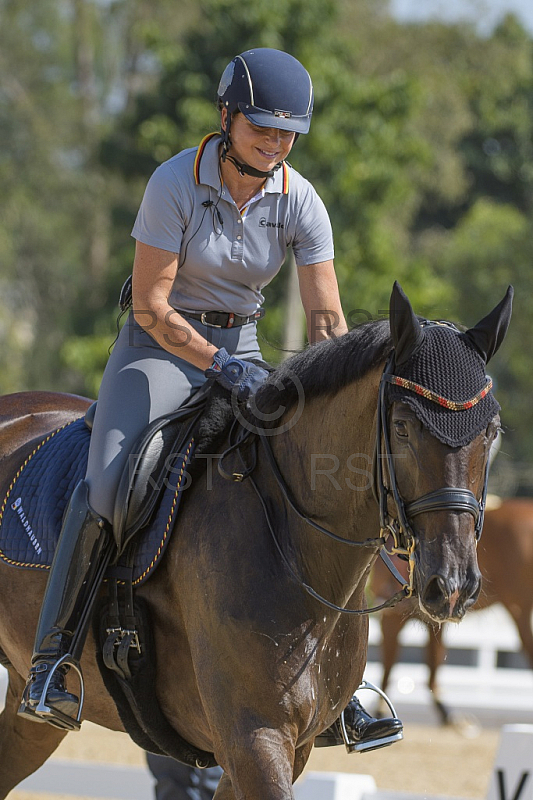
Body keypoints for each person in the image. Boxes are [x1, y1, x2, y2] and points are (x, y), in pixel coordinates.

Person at [17, 47, 402, 751]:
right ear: (227, 118)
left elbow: (324, 317)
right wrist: (222, 367)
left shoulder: (300, 198)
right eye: (262, 129)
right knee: (108, 487)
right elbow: (152, 307)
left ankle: (345, 683)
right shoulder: (174, 182)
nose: (275, 144)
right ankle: (53, 659)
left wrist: (333, 380)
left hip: (246, 348)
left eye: (287, 134)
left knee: (327, 476)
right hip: (156, 351)